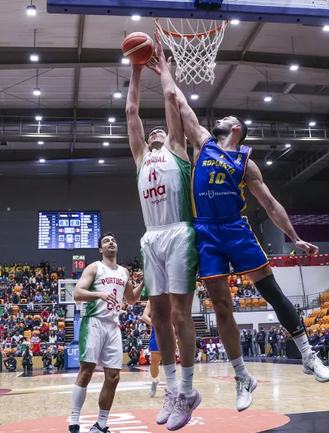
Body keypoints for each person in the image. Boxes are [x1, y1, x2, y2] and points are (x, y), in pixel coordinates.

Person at [154, 35, 329, 412]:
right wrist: (164, 69)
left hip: (235, 229)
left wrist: (295, 238)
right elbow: (178, 101)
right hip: (204, 231)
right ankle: (242, 376)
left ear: (236, 130)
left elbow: (270, 203)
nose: (219, 119)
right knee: (221, 307)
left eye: (227, 119)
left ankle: (306, 353)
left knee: (272, 293)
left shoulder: (247, 163)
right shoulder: (203, 142)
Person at [128, 56, 200, 427]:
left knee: (178, 314)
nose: (154, 131)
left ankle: (187, 389)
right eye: (151, 131)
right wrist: (136, 69)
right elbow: (131, 111)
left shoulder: (176, 147)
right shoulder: (141, 157)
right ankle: (172, 390)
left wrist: (163, 70)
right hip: (150, 238)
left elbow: (171, 101)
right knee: (156, 317)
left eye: (159, 130)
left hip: (178, 231)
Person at [69, 233, 144, 433]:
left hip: (113, 325)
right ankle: (74, 420)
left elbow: (132, 299)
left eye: (113, 240)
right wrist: (100, 294)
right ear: (101, 250)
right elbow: (77, 293)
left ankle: (101, 424)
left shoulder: (124, 272)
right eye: (106, 241)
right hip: (94, 322)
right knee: (86, 371)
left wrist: (144, 283)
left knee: (113, 376)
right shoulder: (94, 267)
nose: (111, 242)